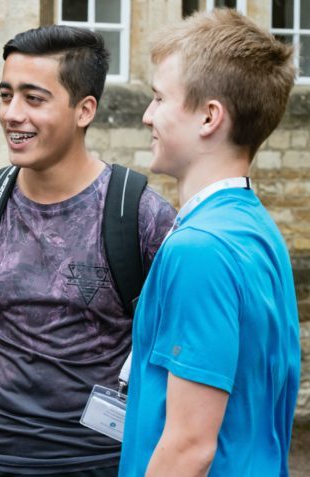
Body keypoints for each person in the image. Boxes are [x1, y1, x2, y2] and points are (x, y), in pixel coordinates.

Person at [0, 25, 176, 476]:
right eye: (6, 95)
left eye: (34, 98)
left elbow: (177, 355)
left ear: (84, 110)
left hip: (96, 464)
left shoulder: (140, 216)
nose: (12, 114)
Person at [118, 9, 300, 477]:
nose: (147, 115)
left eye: (159, 98)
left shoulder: (200, 248)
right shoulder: (254, 226)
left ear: (208, 116)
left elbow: (189, 447)